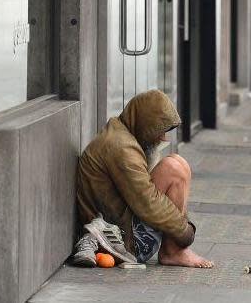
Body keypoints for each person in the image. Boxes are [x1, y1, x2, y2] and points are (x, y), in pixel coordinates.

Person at [72, 90, 214, 268]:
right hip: (124, 242)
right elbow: (149, 203)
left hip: (122, 225)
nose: (163, 138)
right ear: (144, 124)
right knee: (174, 168)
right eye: (159, 130)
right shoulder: (122, 148)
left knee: (178, 163)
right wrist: (185, 232)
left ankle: (174, 249)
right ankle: (174, 251)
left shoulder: (119, 135)